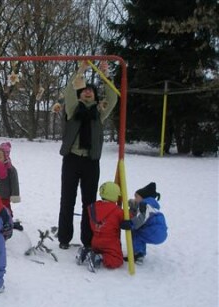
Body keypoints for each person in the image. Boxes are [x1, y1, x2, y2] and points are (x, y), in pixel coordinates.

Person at [57, 61, 118, 250]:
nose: (88, 92)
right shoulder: (73, 109)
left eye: (91, 90)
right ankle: (64, 238)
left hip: (91, 161)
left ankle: (88, 240)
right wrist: (81, 70)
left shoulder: (99, 112)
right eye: (84, 90)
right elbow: (69, 91)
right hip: (72, 159)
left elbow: (113, 97)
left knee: (89, 203)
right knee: (67, 199)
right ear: (80, 93)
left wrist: (105, 75)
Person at [76, 181, 125, 272]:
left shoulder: (93, 207)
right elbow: (127, 219)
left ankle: (86, 252)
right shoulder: (117, 211)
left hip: (95, 240)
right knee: (117, 259)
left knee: (99, 250)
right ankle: (98, 258)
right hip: (110, 241)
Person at [121, 182, 168, 264]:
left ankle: (138, 254)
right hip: (162, 232)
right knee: (141, 234)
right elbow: (143, 212)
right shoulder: (151, 205)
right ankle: (139, 254)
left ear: (143, 198)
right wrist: (131, 203)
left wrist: (131, 224)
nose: (135, 199)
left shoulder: (144, 204)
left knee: (136, 233)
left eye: (136, 197)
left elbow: (142, 217)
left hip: (154, 230)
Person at [0, 142, 22, 230]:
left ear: (5, 157)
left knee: (5, 210)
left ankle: (8, 222)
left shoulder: (11, 170)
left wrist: (15, 195)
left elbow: (14, 183)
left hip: (5, 195)